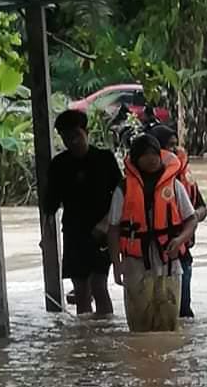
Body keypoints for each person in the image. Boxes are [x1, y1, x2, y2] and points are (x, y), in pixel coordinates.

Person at [107, 135, 198, 332]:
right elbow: (113, 228)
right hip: (135, 262)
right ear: (135, 158)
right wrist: (116, 264)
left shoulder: (174, 185)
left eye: (154, 153)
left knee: (169, 325)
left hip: (168, 262)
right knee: (139, 327)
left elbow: (191, 219)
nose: (151, 158)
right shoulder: (123, 188)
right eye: (145, 154)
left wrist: (181, 239)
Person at [45, 109, 122, 316]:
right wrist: (47, 237)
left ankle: (105, 336)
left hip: (101, 233)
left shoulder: (104, 159)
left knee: (99, 286)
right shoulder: (59, 165)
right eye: (67, 138)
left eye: (76, 136)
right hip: (74, 232)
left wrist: (107, 223)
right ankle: (85, 341)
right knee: (81, 292)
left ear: (86, 132)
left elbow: (122, 194)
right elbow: (50, 205)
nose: (73, 142)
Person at [150, 125, 207, 319]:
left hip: (182, 252)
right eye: (169, 146)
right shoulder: (142, 181)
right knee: (154, 313)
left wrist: (191, 218)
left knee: (183, 312)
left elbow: (202, 207)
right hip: (150, 255)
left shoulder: (184, 176)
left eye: (176, 146)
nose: (174, 151)